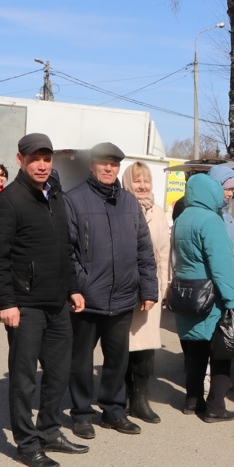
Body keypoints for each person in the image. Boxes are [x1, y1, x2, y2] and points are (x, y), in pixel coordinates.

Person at [0, 133, 88, 467]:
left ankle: (49, 430)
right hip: (25, 305)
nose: (42, 164)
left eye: (47, 158)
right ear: (20, 160)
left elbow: (65, 251)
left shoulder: (55, 197)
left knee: (59, 372)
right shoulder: (7, 202)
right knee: (24, 376)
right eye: (35, 159)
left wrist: (73, 287)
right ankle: (27, 444)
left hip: (58, 302)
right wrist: (5, 302)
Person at [64, 143, 158, 439]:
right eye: (103, 163)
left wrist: (148, 288)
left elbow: (144, 249)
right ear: (91, 165)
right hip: (87, 301)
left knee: (117, 359)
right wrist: (80, 285)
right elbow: (67, 252)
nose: (109, 169)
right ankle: (80, 413)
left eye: (114, 165)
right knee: (81, 361)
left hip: (122, 298)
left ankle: (113, 411)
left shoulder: (129, 203)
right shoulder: (74, 200)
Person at [172, 173, 234, 422]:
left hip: (186, 294)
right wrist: (233, 300)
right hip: (211, 297)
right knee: (222, 353)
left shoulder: (182, 217)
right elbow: (221, 266)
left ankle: (192, 400)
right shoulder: (212, 221)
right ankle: (216, 408)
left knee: (195, 351)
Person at [121, 161, 170, 424]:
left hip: (150, 291)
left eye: (146, 181)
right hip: (124, 289)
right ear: (128, 182)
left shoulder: (158, 212)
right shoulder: (119, 208)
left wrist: (164, 286)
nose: (142, 186)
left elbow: (164, 252)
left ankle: (140, 401)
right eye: (137, 180)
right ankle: (121, 399)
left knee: (146, 351)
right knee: (122, 348)